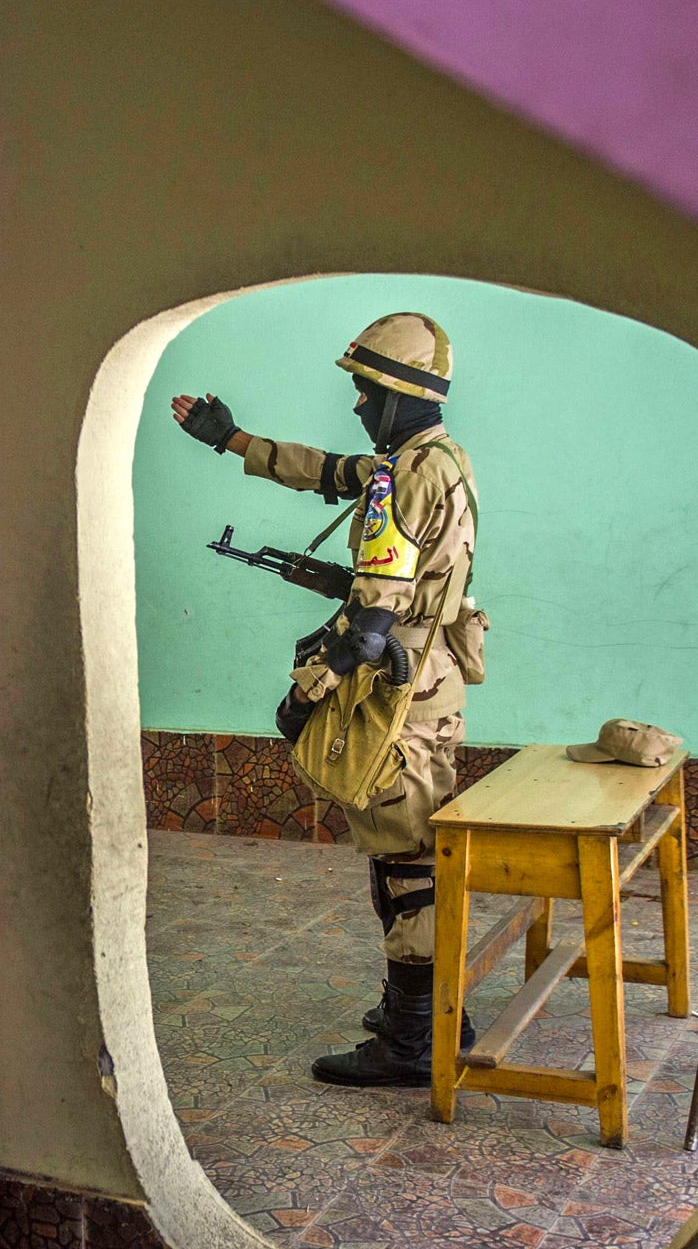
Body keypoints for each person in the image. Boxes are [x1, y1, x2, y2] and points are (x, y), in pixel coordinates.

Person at [171, 312, 482, 1087]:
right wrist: (233, 441)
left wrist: (308, 692)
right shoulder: (435, 459)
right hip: (433, 676)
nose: (354, 406)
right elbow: (326, 471)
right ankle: (431, 1006)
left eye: (361, 390)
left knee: (403, 861)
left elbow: (372, 621)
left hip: (395, 693)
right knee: (410, 850)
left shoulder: (403, 479)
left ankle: (414, 1041)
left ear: (393, 393)